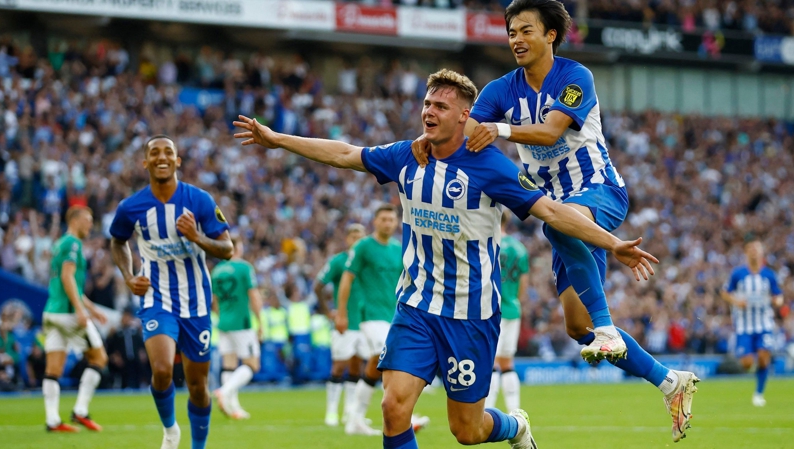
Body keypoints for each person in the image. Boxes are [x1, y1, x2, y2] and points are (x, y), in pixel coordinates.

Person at [234, 68, 657, 449]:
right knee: (393, 409)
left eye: (441, 105)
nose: (429, 112)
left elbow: (550, 210)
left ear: (464, 116)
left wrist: (610, 242)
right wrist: (276, 139)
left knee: (466, 431)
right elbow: (346, 153)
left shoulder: (492, 167)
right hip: (416, 306)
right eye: (427, 104)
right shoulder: (407, 155)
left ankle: (515, 427)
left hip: (470, 313)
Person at [411, 0, 699, 441]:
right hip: (559, 204)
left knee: (557, 225)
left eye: (526, 30)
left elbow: (548, 132)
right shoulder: (500, 90)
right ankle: (669, 381)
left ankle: (609, 330)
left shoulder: (574, 77)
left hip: (599, 190)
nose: (516, 39)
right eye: (511, 32)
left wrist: (501, 131)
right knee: (575, 326)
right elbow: (465, 128)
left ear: (550, 35)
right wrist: (429, 137)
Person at [110, 135, 233, 449]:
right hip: (156, 297)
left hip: (197, 302)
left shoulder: (200, 200)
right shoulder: (131, 207)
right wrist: (127, 275)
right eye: (154, 152)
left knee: (198, 386)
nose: (161, 157)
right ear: (145, 162)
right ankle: (170, 431)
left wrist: (196, 237)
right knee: (162, 370)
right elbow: (118, 241)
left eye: (168, 152)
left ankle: (198, 446)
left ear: (177, 161)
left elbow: (227, 249)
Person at [339, 205, 429, 435]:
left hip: (394, 315)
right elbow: (347, 279)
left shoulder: (399, 248)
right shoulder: (363, 247)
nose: (388, 223)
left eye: (391, 219)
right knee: (392, 360)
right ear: (375, 222)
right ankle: (403, 416)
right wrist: (341, 313)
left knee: (373, 365)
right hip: (370, 315)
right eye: (384, 219)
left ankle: (355, 419)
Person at [42, 206, 109, 432]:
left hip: (51, 312)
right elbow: (67, 276)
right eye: (88, 220)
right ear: (76, 220)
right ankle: (80, 411)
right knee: (99, 358)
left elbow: (70, 285)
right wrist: (81, 311)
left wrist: (91, 307)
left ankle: (52, 420)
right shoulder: (73, 244)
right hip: (68, 314)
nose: (91, 225)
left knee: (53, 369)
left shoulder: (60, 243)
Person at [314, 223, 367, 427]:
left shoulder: (367, 261)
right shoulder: (339, 261)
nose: (357, 239)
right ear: (347, 239)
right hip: (344, 322)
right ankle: (331, 411)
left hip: (364, 321)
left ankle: (350, 412)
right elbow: (318, 285)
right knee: (338, 366)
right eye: (353, 236)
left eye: (360, 236)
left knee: (356, 368)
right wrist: (329, 313)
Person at [720, 238, 784, 407]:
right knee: (747, 363)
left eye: (757, 248)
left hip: (764, 324)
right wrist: (736, 301)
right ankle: (756, 371)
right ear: (746, 252)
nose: (754, 251)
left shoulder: (769, 275)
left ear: (762, 252)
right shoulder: (738, 274)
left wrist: (777, 301)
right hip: (744, 326)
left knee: (763, 357)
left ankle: (759, 393)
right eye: (751, 249)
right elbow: (725, 292)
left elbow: (778, 295)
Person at [212, 235, 263, 419]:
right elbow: (254, 295)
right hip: (241, 323)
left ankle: (233, 407)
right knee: (252, 365)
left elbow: (214, 302)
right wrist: (260, 322)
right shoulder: (243, 267)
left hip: (223, 322)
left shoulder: (216, 271)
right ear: (237, 247)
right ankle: (224, 392)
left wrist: (222, 317)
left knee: (229, 365)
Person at [485, 211, 529, 413]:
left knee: (491, 361)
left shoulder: (487, 244)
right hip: (513, 308)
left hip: (491, 309)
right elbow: (523, 285)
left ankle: (487, 409)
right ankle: (516, 411)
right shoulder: (519, 249)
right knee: (507, 362)